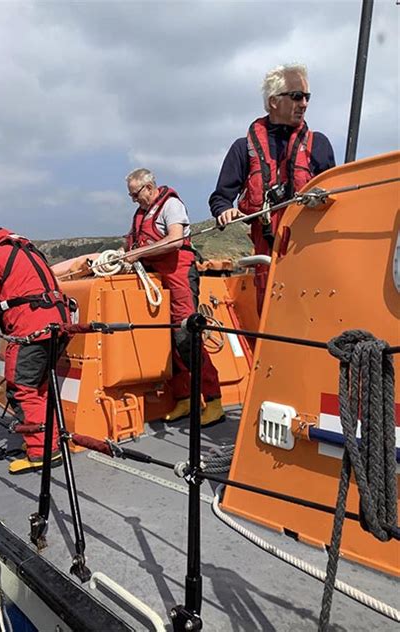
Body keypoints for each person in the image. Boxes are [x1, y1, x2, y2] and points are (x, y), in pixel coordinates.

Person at [209, 63, 335, 314]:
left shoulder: (318, 144)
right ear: (274, 101)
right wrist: (225, 210)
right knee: (270, 315)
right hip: (267, 256)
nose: (304, 103)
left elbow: (336, 196)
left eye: (307, 97)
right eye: (297, 96)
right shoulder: (243, 148)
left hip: (310, 252)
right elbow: (220, 198)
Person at [0, 226, 71, 474]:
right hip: (60, 325)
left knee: (22, 388)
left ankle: (42, 452)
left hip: (31, 329)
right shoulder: (30, 252)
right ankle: (48, 442)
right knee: (39, 388)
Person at [125, 168, 224, 427]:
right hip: (157, 278)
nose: (134, 200)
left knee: (186, 337)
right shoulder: (140, 214)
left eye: (135, 194)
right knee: (168, 339)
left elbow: (175, 240)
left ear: (148, 187)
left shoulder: (171, 206)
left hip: (179, 273)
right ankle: (184, 399)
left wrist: (140, 253)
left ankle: (213, 401)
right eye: (131, 196)